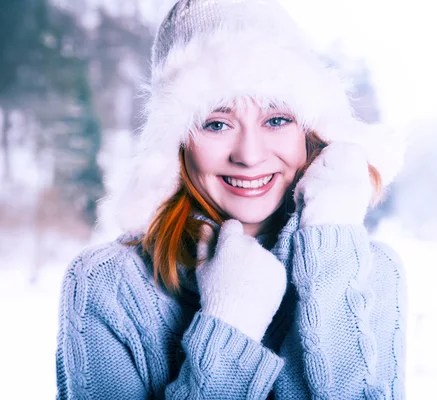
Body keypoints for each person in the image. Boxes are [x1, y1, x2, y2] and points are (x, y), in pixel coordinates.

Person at [55, 0, 407, 398]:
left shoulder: (373, 271)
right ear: (176, 142)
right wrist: (230, 323)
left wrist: (332, 250)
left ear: (311, 131)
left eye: (277, 120)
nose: (249, 155)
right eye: (216, 123)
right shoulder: (107, 284)